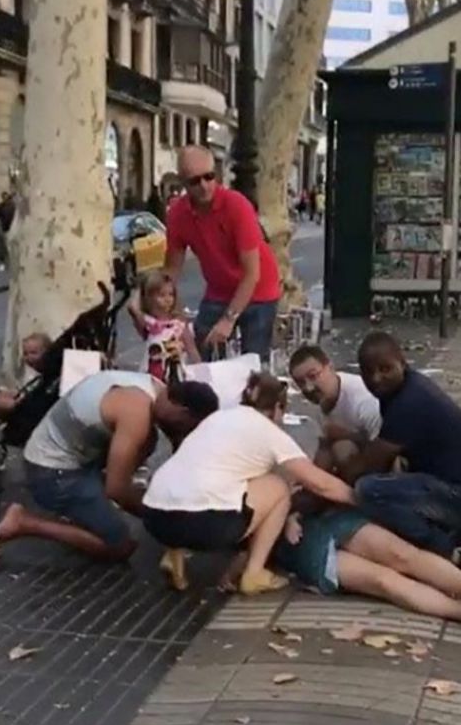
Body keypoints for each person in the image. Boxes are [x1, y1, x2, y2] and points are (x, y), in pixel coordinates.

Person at [141, 372, 356, 595]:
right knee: (278, 488)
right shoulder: (269, 431)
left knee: (193, 483)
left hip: (154, 516)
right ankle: (254, 574)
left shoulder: (216, 419)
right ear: (277, 409)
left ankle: (173, 555)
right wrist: (359, 498)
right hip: (205, 524)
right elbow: (319, 483)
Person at [0, 371, 219, 560]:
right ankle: (23, 522)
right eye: (187, 426)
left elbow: (177, 443)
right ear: (183, 411)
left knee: (148, 441)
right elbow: (116, 490)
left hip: (66, 453)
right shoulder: (136, 414)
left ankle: (88, 505)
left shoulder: (156, 388)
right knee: (120, 547)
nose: (184, 432)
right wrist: (162, 519)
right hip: (52, 473)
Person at [344, 331, 461, 566]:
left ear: (403, 362)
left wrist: (326, 482)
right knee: (396, 478)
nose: (376, 378)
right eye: (368, 372)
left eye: (385, 369)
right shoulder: (411, 386)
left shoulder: (408, 403)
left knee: (370, 490)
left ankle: (442, 549)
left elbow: (369, 464)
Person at [272, 498, 461, 636]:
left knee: (404, 555)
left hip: (330, 515)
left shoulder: (308, 427)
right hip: (300, 543)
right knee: (383, 580)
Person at [164, 146, 281, 363]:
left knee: (252, 361)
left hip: (259, 289)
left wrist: (228, 320)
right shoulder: (178, 214)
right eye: (194, 181)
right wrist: (158, 302)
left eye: (209, 177)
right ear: (182, 183)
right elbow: (172, 270)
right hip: (219, 290)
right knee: (203, 344)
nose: (204, 186)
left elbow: (251, 273)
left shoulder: (236, 205)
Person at [289, 344, 381, 477]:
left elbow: (385, 447)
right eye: (301, 383)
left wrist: (347, 435)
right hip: (363, 450)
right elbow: (324, 446)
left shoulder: (364, 400)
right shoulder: (321, 398)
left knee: (343, 450)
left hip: (387, 459)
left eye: (313, 376)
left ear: (330, 368)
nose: (308, 388)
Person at [128, 271, 200, 382]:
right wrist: (140, 286)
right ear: (149, 298)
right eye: (161, 295)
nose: (167, 299)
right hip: (151, 373)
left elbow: (192, 349)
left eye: (171, 294)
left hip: (174, 373)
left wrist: (201, 370)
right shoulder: (149, 323)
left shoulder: (178, 324)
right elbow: (133, 307)